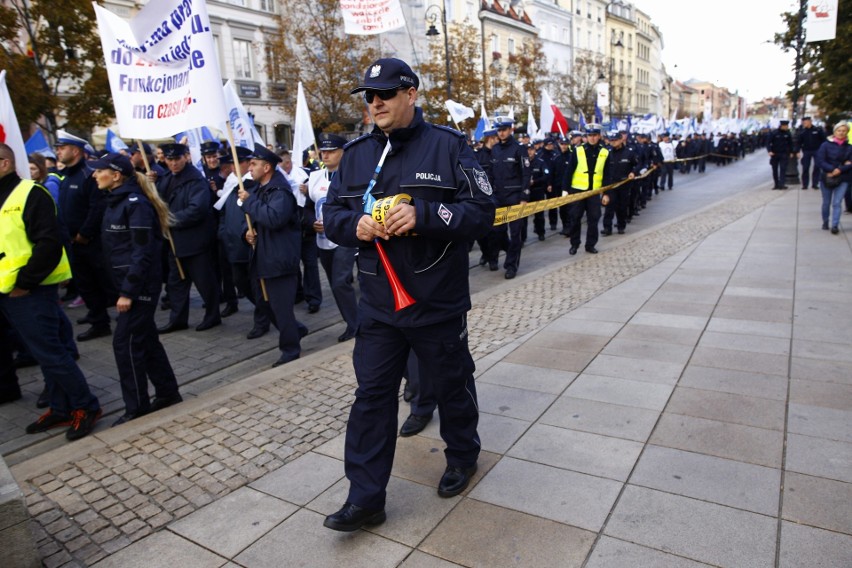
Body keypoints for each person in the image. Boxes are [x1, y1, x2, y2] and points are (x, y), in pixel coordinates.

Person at [322, 58, 495, 532]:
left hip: (435, 299)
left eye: (384, 94)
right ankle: (365, 498)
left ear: (411, 94)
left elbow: (482, 212)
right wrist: (351, 226)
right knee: (372, 397)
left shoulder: (449, 146)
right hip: (378, 303)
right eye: (368, 96)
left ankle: (462, 456)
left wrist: (426, 215)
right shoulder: (356, 154)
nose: (374, 102)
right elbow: (330, 212)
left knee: (451, 383)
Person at [0, 142, 102, 440]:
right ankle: (61, 408)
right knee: (41, 354)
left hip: (29, 291)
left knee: (52, 353)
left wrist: (25, 284)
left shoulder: (32, 194)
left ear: (4, 163)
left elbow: (48, 243)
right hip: (8, 291)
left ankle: (86, 406)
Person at [90, 153, 182, 426]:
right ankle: (167, 392)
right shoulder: (115, 201)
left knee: (125, 344)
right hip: (128, 285)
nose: (94, 175)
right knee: (146, 338)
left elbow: (142, 253)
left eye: (99, 171)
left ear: (116, 175)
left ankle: (137, 406)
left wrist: (128, 292)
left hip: (139, 287)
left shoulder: (135, 204)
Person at [238, 144, 307, 368]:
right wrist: (247, 232)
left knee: (280, 307)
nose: (250, 167)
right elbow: (257, 220)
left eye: (255, 164)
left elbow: (274, 218)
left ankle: (290, 349)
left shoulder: (280, 192)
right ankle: (295, 330)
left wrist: (249, 201)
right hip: (264, 258)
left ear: (267, 167)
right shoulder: (260, 189)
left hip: (279, 260)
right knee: (265, 304)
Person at [54, 130, 116, 341]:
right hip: (73, 243)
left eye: (62, 148)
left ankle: (109, 319)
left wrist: (84, 234)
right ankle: (98, 318)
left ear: (76, 150)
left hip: (90, 242)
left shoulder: (88, 174)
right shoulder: (66, 177)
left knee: (103, 282)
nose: (58, 152)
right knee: (85, 284)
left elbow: (96, 207)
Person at [157, 143, 222, 333]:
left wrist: (170, 220)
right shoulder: (166, 178)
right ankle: (177, 319)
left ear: (185, 157)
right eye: (170, 160)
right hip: (175, 241)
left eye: (177, 159)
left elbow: (197, 210)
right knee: (176, 284)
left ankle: (212, 315)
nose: (174, 163)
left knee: (204, 282)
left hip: (195, 240)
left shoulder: (196, 180)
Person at [307, 133, 358, 342]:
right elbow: (309, 207)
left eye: (331, 151)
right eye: (323, 151)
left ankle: (356, 324)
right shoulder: (314, 177)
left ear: (342, 152)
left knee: (340, 282)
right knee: (334, 282)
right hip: (323, 239)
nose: (325, 155)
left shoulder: (353, 177)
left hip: (345, 237)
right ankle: (352, 320)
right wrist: (312, 222)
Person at [486, 116, 530, 279]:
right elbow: (490, 173)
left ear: (511, 129)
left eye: (504, 130)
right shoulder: (495, 149)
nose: (501, 133)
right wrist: (489, 193)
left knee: (516, 233)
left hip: (515, 197)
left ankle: (511, 266)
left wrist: (524, 196)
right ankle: (501, 255)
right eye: (499, 130)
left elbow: (526, 173)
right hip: (498, 198)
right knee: (496, 231)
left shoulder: (519, 149)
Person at [562, 124, 611, 255]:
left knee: (594, 219)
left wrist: (606, 193)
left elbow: (607, 175)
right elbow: (569, 171)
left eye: (595, 135)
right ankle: (574, 243)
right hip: (578, 190)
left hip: (594, 192)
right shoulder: (578, 150)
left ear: (599, 136)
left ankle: (590, 244)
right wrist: (565, 190)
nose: (592, 138)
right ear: (586, 137)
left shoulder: (605, 152)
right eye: (590, 135)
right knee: (575, 218)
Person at [814, 122, 852, 234]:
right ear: (834, 132)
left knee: (837, 202)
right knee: (826, 202)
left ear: (847, 133)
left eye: (844, 131)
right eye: (839, 130)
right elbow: (820, 160)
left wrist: (840, 170)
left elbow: (850, 164)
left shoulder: (849, 147)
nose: (841, 133)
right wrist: (832, 169)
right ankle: (825, 221)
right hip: (827, 177)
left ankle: (835, 224)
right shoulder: (825, 145)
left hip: (843, 177)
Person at [601, 131, 638, 236]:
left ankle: (621, 225)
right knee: (609, 207)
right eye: (611, 140)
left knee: (622, 207)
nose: (613, 142)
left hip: (623, 185)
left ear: (621, 140)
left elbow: (637, 164)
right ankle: (607, 228)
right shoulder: (607, 152)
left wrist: (633, 172)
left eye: (615, 140)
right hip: (611, 184)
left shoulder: (629, 152)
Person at [796, 116, 827, 190]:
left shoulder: (818, 130)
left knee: (817, 167)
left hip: (817, 151)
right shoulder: (802, 132)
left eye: (805, 122)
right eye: (803, 123)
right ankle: (805, 184)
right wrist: (797, 151)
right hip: (806, 151)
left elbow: (824, 140)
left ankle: (815, 183)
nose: (804, 124)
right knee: (805, 167)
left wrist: (824, 150)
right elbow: (798, 142)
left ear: (810, 121)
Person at [768, 120, 794, 189]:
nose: (786, 127)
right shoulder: (774, 133)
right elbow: (768, 143)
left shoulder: (788, 133)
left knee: (783, 169)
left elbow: (790, 143)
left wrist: (791, 152)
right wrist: (769, 151)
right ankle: (776, 184)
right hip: (775, 154)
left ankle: (782, 184)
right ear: (782, 126)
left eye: (787, 126)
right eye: (785, 126)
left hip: (784, 153)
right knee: (775, 170)